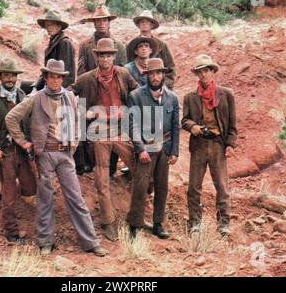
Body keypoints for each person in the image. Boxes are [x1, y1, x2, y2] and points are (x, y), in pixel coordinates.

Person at [5, 59, 107, 257]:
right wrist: (23, 142)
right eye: (52, 76)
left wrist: (74, 144)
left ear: (63, 78)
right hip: (45, 154)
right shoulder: (36, 98)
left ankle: (90, 242)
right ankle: (45, 242)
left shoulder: (69, 97)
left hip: (65, 154)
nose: (55, 80)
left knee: (76, 198)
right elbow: (11, 118)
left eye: (59, 77)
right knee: (45, 199)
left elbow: (78, 121)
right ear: (46, 77)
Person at [70, 38, 138, 241]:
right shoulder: (87, 78)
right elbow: (69, 94)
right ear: (96, 56)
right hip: (99, 129)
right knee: (102, 176)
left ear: (114, 56)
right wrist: (85, 112)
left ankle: (136, 216)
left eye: (109, 55)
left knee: (139, 165)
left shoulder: (123, 74)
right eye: (102, 55)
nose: (105, 58)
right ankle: (108, 221)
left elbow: (137, 92)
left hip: (121, 127)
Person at [0, 57, 36, 244]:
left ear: (16, 77)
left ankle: (30, 222)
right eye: (6, 75)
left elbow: (28, 124)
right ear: (0, 77)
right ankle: (11, 232)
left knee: (30, 186)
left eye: (12, 75)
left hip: (22, 150)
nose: (9, 79)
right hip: (4, 152)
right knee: (9, 193)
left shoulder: (22, 96)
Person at [181, 54, 237, 237]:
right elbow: (184, 120)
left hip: (217, 145)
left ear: (212, 71)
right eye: (200, 72)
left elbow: (232, 123)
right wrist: (193, 127)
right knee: (194, 187)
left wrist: (229, 144)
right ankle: (195, 223)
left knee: (221, 186)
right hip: (198, 144)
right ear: (196, 75)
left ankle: (224, 224)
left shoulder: (226, 94)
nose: (203, 75)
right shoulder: (190, 97)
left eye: (206, 70)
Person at [127, 58, 179, 239]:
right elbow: (132, 125)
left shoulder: (172, 97)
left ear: (164, 74)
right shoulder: (136, 96)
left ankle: (158, 223)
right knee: (140, 186)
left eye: (158, 73)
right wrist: (139, 149)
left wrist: (174, 151)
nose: (155, 77)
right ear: (146, 75)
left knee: (162, 187)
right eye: (151, 74)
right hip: (146, 148)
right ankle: (134, 224)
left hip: (164, 148)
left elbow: (174, 127)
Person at [76, 5, 127, 176]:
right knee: (88, 125)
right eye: (98, 20)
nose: (101, 23)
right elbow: (81, 70)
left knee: (114, 127)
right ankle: (89, 162)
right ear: (94, 23)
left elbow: (122, 72)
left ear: (109, 22)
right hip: (91, 90)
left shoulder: (119, 45)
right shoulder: (85, 45)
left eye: (104, 20)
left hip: (112, 93)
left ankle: (111, 166)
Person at [126, 10, 176, 89]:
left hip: (158, 86)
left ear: (152, 25)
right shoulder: (131, 45)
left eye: (147, 22)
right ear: (138, 25)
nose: (144, 24)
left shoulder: (162, 45)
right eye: (142, 22)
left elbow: (171, 69)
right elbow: (127, 68)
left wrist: (163, 87)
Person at [33, 10, 75, 91]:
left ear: (59, 26)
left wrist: (57, 91)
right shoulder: (53, 41)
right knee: (25, 86)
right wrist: (35, 86)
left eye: (52, 25)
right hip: (51, 83)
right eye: (47, 25)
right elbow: (47, 70)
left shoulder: (64, 43)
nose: (49, 28)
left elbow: (66, 72)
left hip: (59, 87)